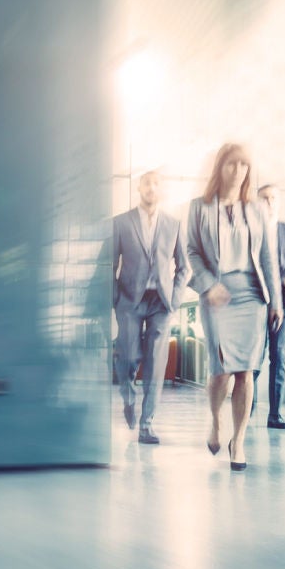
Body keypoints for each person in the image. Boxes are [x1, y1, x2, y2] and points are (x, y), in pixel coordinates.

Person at [186, 143, 283, 471]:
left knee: (246, 371)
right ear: (220, 167)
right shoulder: (199, 207)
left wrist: (276, 301)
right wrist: (208, 285)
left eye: (244, 165)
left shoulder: (256, 209)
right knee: (221, 370)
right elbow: (192, 251)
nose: (238, 170)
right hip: (217, 294)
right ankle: (215, 420)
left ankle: (238, 440)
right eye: (232, 164)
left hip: (251, 294)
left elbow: (268, 256)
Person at [111, 168, 189, 445]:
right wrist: (116, 299)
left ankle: (147, 424)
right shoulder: (120, 222)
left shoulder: (174, 224)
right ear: (139, 188)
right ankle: (128, 397)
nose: (151, 187)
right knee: (128, 357)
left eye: (156, 183)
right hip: (130, 301)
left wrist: (175, 299)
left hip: (161, 303)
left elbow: (184, 267)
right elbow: (108, 265)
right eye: (146, 183)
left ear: (161, 189)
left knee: (156, 365)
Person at [252, 184, 285, 430]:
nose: (269, 203)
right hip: (258, 302)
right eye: (264, 198)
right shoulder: (251, 230)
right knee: (255, 358)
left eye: (273, 198)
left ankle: (275, 414)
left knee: (279, 359)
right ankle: (247, 407)